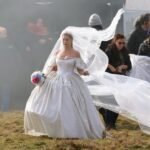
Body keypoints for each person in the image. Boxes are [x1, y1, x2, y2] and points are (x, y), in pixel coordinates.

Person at [24, 32, 105, 139]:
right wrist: (42, 76)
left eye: (67, 39)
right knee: (52, 105)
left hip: (71, 81)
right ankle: (56, 128)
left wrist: (84, 72)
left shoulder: (76, 53)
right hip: (57, 79)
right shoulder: (58, 53)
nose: (65, 42)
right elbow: (53, 67)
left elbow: (79, 70)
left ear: (71, 41)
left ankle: (72, 130)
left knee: (69, 106)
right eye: (63, 40)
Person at [105, 34, 132, 129]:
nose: (121, 45)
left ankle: (112, 124)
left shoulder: (125, 51)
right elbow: (103, 62)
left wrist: (122, 66)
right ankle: (108, 123)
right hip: (111, 79)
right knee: (112, 101)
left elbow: (129, 65)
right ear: (115, 42)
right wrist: (111, 66)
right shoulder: (109, 51)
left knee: (119, 102)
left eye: (123, 43)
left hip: (121, 79)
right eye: (119, 43)